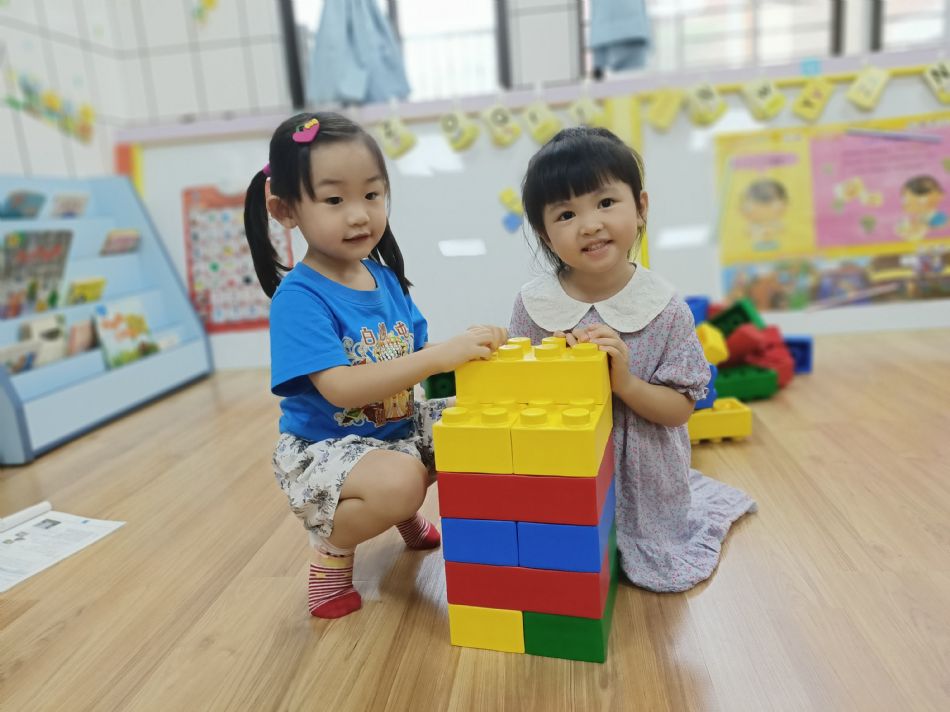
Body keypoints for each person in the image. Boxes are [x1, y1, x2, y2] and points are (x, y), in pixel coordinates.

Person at [244, 112, 507, 618]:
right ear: (285, 209)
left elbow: (416, 360)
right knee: (401, 481)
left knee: (480, 428)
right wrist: (439, 355)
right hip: (326, 451)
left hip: (395, 432)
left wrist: (475, 351)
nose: (359, 215)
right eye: (334, 200)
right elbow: (341, 389)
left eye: (372, 194)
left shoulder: (383, 278)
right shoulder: (299, 298)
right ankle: (332, 555)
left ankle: (403, 513)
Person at [509, 126, 756, 592]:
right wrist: (554, 373)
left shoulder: (663, 307)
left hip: (646, 483)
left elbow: (680, 409)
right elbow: (520, 399)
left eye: (605, 202)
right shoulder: (534, 305)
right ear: (545, 233)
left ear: (640, 208)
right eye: (566, 214)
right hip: (566, 470)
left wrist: (625, 383)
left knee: (644, 566)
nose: (589, 224)